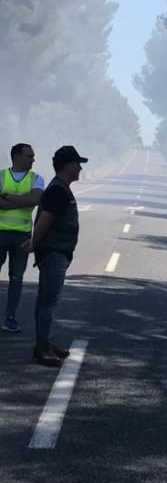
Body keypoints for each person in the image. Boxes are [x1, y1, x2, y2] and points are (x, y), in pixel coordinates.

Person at [23, 145, 86, 367]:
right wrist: (34, 243)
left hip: (55, 251)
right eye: (77, 163)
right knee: (49, 300)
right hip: (54, 252)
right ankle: (42, 349)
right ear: (67, 165)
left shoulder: (60, 188)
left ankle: (45, 342)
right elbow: (45, 220)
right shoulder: (58, 190)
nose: (80, 168)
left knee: (45, 300)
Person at [0, 143, 45, 333]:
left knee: (16, 278)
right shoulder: (1, 175)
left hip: (22, 236)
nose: (33, 159)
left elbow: (35, 200)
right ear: (17, 157)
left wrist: (7, 197)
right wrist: (22, 200)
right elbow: (28, 200)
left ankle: (10, 318)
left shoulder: (37, 178)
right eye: (29, 156)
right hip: (1, 233)